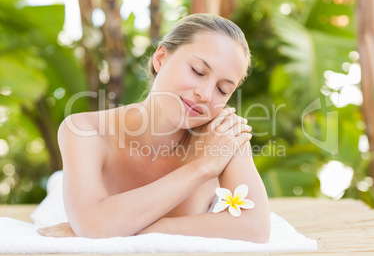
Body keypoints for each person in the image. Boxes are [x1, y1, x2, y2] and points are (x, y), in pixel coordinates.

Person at [37, 13, 271, 243]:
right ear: (160, 58)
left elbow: (255, 228)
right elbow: (93, 223)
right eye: (198, 71)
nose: (205, 94)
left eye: (222, 89)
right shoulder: (84, 129)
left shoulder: (224, 135)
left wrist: (126, 227)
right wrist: (203, 167)